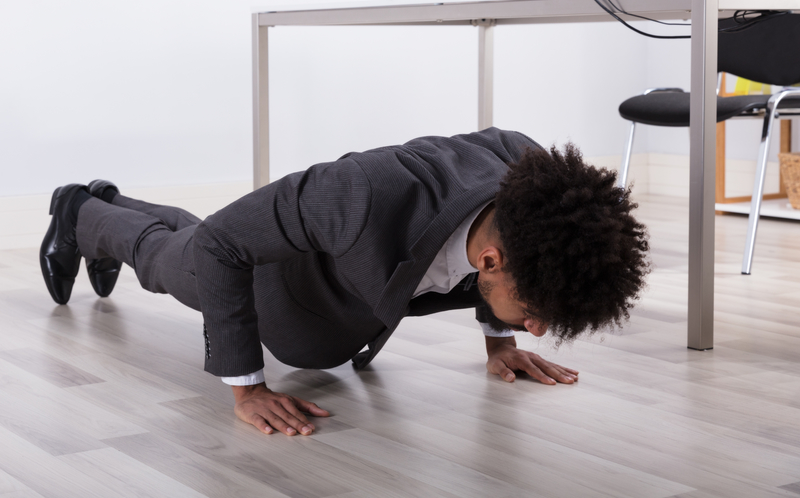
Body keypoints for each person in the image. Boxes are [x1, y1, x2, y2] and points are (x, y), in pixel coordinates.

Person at [39, 128, 649, 437]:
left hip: (333, 314)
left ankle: (105, 201)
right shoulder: (357, 195)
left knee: (187, 238)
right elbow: (225, 242)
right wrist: (247, 391)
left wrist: (502, 340)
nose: (541, 326)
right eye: (537, 310)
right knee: (170, 260)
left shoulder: (526, 183)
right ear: (491, 261)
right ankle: (80, 214)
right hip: (272, 285)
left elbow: (516, 256)